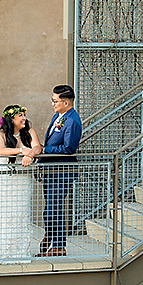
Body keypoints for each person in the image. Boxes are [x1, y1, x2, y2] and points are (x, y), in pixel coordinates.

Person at [0, 105, 44, 263]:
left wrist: (30, 154)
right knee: (3, 213)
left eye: (24, 115)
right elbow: (0, 150)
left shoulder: (29, 132)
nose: (24, 118)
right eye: (20, 116)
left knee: (21, 212)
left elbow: (37, 147)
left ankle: (19, 250)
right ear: (11, 119)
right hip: (5, 180)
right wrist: (21, 151)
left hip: (23, 180)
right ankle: (1, 247)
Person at [37, 85, 82, 257]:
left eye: (55, 101)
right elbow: (52, 142)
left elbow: (69, 148)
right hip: (50, 170)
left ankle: (58, 245)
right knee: (50, 208)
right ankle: (51, 236)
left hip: (62, 171)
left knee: (54, 208)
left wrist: (45, 151)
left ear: (66, 102)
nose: (52, 104)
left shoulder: (72, 120)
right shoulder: (58, 116)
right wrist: (41, 162)